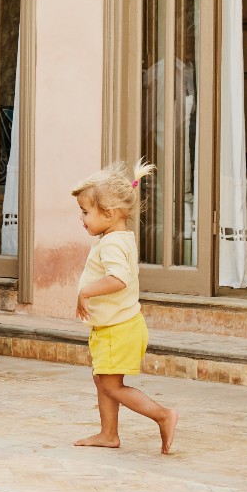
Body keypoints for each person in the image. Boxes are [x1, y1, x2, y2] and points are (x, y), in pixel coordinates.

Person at [71, 159, 178, 455]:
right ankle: (108, 434)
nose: (82, 218)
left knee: (111, 386)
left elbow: (119, 279)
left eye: (86, 212)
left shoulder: (113, 244)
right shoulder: (116, 237)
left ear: (110, 213)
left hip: (118, 330)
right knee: (103, 380)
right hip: (116, 327)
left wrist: (86, 292)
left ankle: (164, 415)